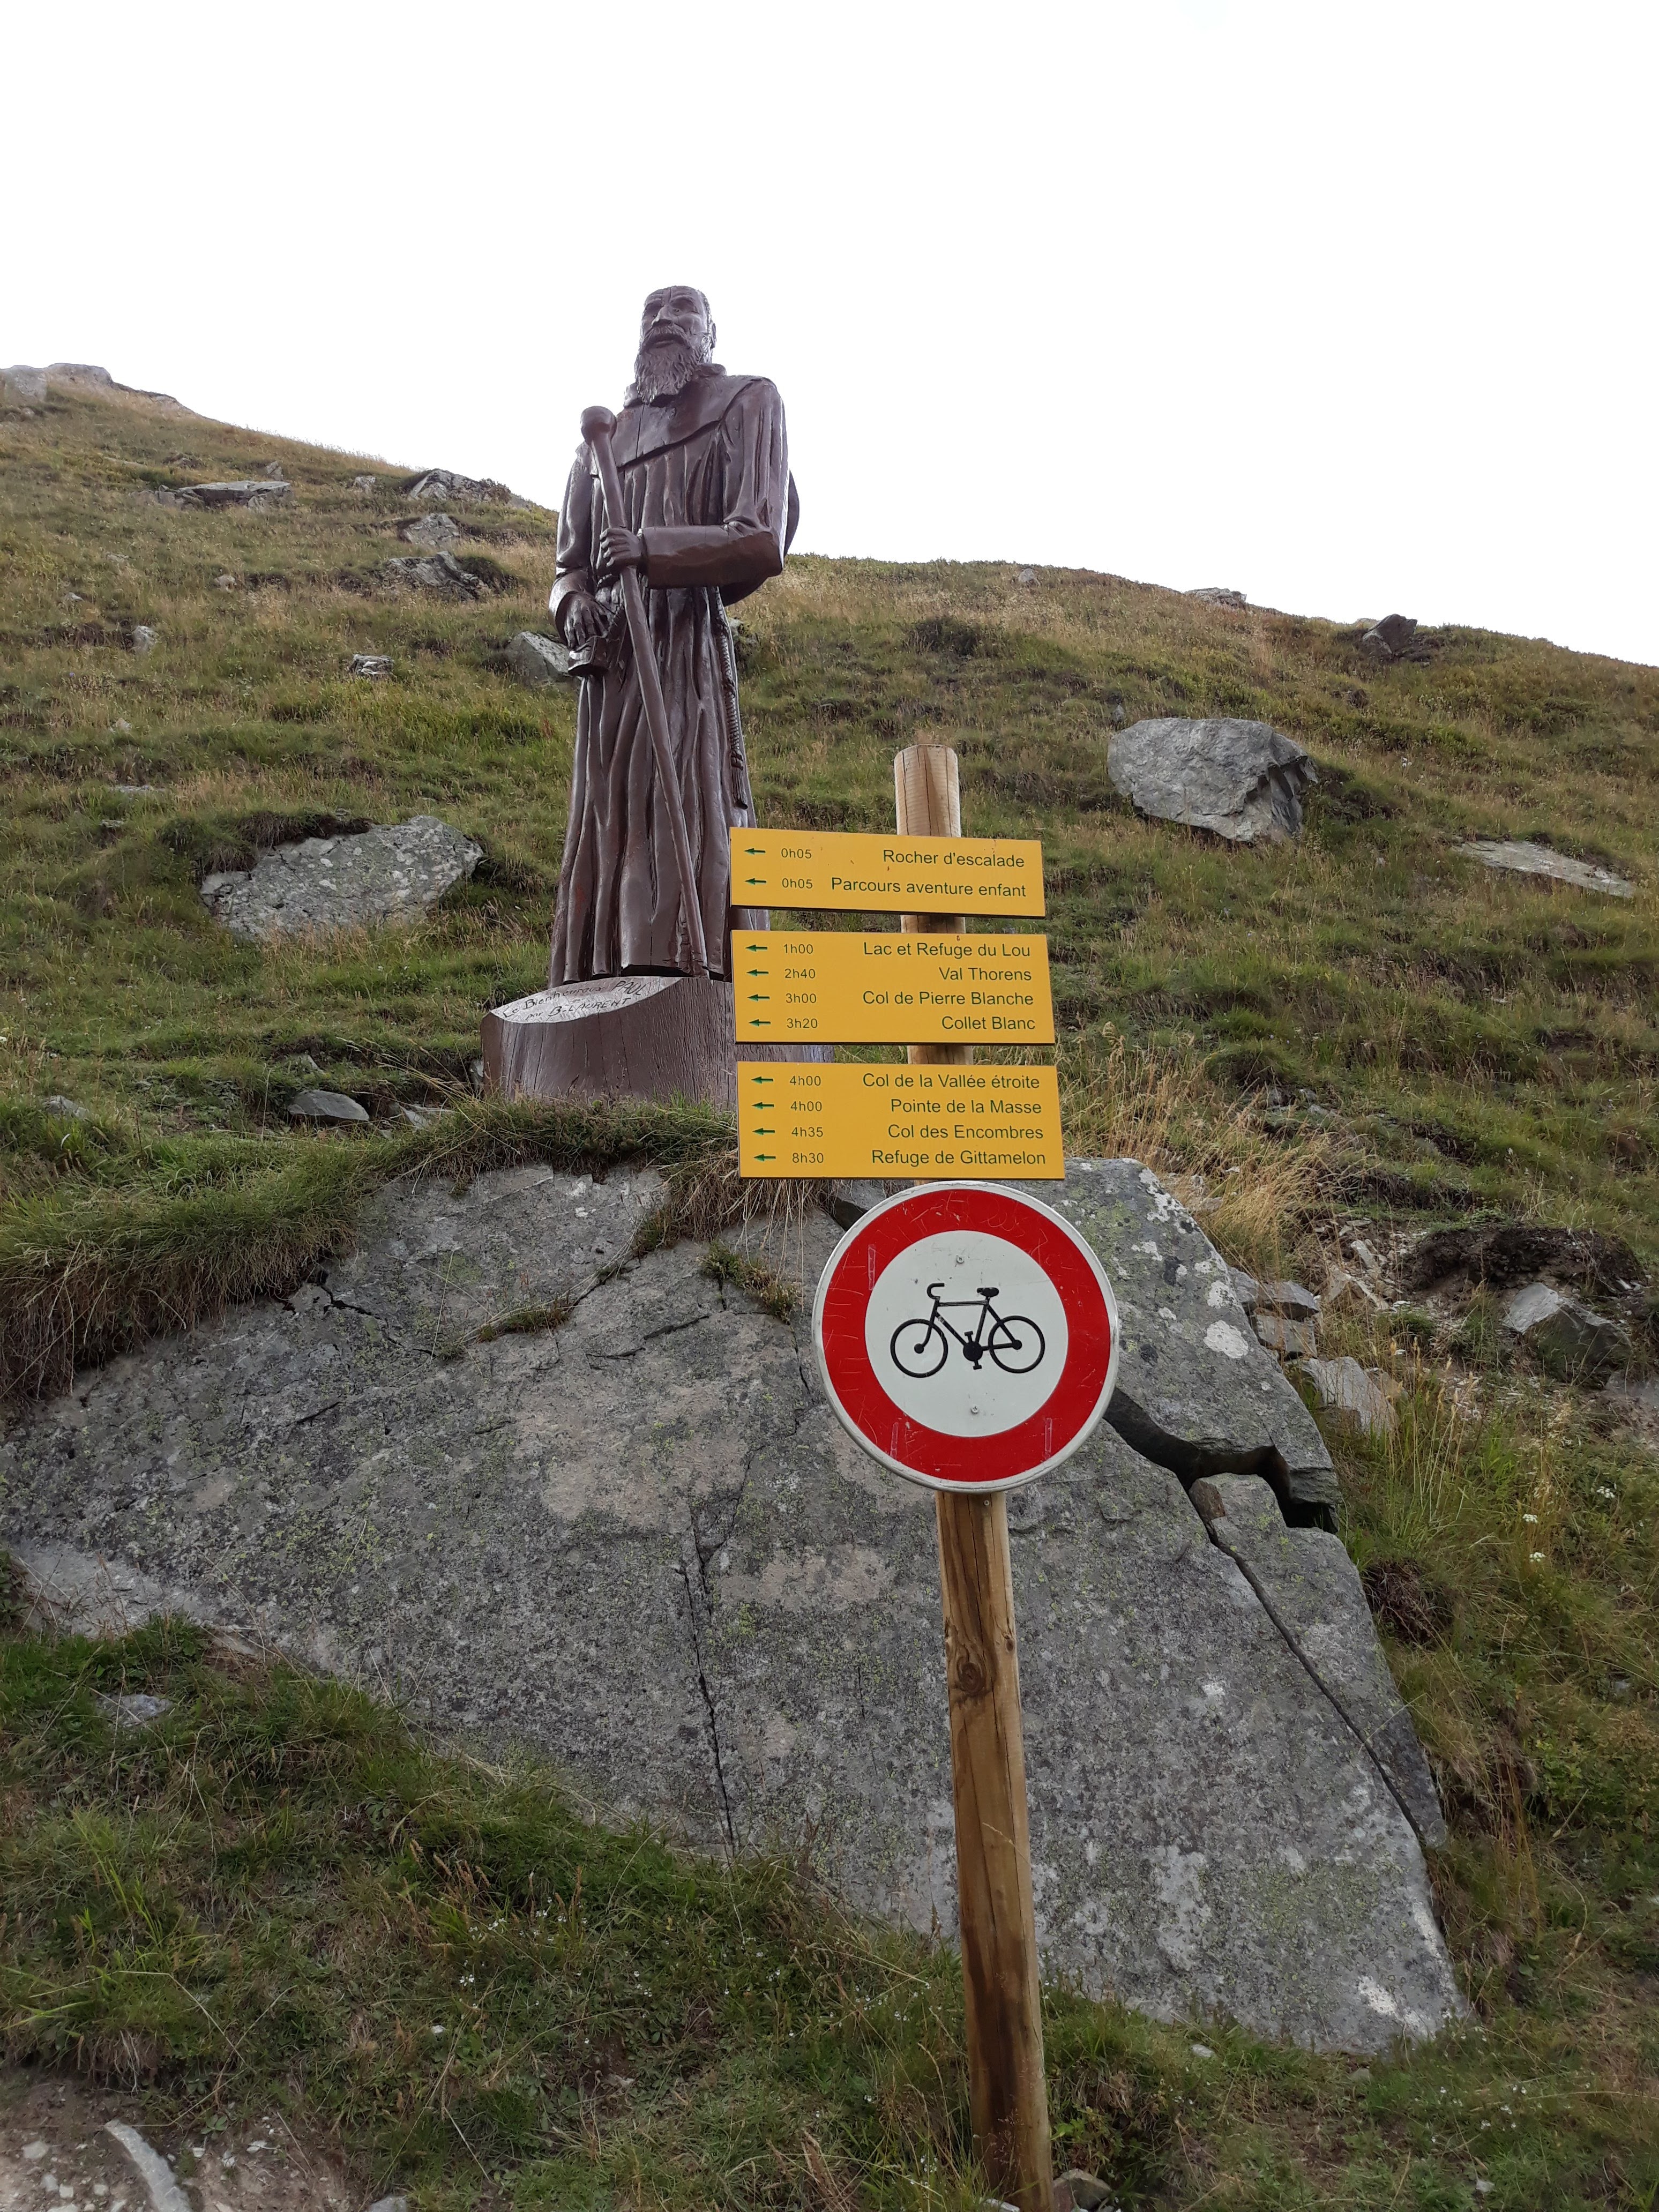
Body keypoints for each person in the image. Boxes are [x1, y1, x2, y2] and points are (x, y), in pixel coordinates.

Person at [549, 286, 797, 981]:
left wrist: (652, 550)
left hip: (685, 648)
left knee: (686, 802)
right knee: (609, 821)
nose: (663, 321)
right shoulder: (599, 444)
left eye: (682, 310)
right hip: (613, 668)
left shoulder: (748, 401)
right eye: (651, 313)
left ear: (711, 333)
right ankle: (597, 970)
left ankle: (691, 967)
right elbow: (567, 569)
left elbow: (761, 537)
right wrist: (574, 607)